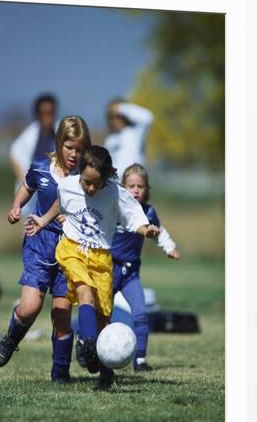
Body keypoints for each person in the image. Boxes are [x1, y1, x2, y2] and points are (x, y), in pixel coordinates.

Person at [26, 146, 159, 389]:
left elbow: (134, 219)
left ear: (106, 178)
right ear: (80, 174)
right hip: (73, 250)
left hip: (101, 258)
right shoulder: (68, 185)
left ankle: (106, 374)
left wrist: (146, 229)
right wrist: (43, 220)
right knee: (83, 290)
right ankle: (88, 343)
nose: (89, 188)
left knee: (103, 317)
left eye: (95, 184)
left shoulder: (115, 194)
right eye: (86, 182)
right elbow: (61, 202)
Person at [0, 116, 92, 383]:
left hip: (70, 250)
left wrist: (74, 219)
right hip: (39, 241)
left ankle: (60, 374)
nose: (74, 154)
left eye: (80, 149)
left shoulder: (86, 177)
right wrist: (16, 207)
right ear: (60, 143)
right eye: (69, 147)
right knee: (29, 307)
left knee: (61, 315)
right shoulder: (40, 167)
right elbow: (27, 187)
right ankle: (12, 337)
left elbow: (93, 209)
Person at [110, 164, 180, 371]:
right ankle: (98, 354)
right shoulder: (115, 208)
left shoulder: (149, 211)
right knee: (102, 314)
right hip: (109, 270)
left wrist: (169, 247)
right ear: (123, 187)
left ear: (147, 188)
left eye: (140, 186)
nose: (136, 190)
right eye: (131, 185)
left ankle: (140, 360)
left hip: (131, 273)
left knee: (140, 314)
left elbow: (159, 232)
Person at [9, 94, 59, 216]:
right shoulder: (30, 133)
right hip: (33, 194)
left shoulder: (60, 131)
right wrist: (25, 181)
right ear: (38, 115)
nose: (47, 117)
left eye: (50, 113)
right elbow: (13, 154)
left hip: (55, 192)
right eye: (44, 113)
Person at [104, 99, 154, 182]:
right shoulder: (110, 139)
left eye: (118, 116)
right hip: (115, 185)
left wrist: (121, 108)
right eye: (112, 117)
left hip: (133, 183)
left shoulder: (135, 132)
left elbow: (148, 117)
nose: (115, 120)